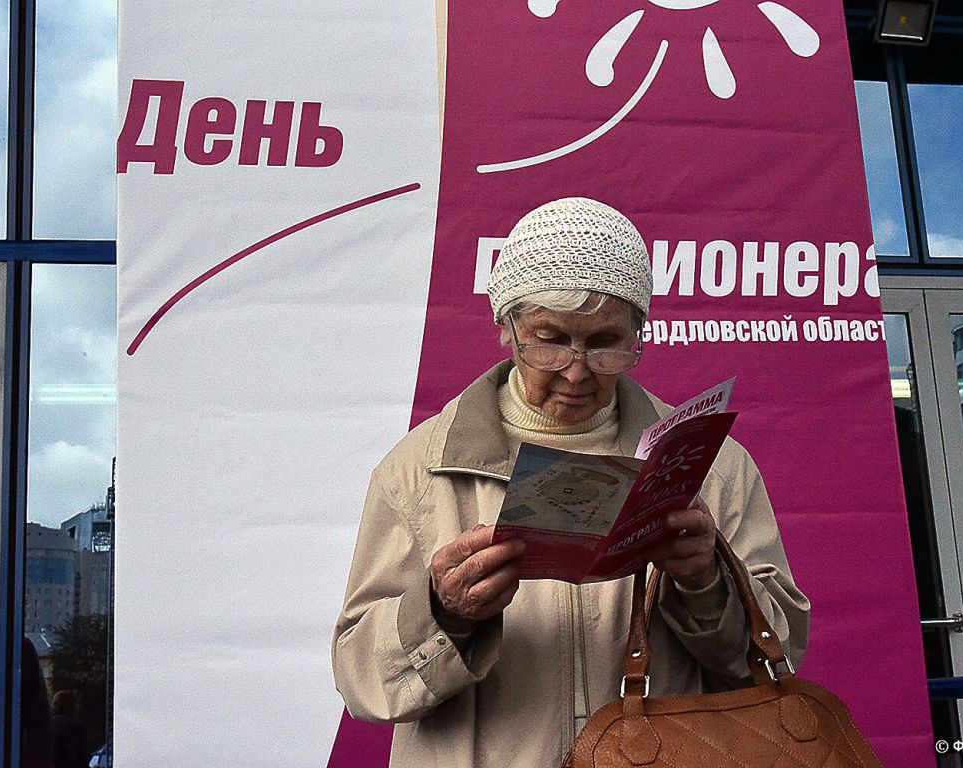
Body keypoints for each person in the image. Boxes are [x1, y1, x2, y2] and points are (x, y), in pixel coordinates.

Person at [332, 197, 810, 767]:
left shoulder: (712, 466)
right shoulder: (419, 469)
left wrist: (706, 584)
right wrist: (443, 612)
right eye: (550, 339)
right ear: (506, 329)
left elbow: (779, 657)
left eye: (606, 342)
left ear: (637, 334)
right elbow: (360, 678)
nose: (577, 371)